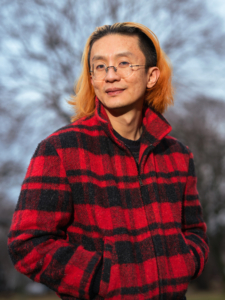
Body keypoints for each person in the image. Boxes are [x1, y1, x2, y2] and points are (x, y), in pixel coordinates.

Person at [8, 22, 209, 300]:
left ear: (151, 76)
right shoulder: (60, 150)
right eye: (100, 66)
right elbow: (28, 244)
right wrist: (102, 279)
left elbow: (195, 231)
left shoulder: (177, 154)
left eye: (124, 63)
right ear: (92, 79)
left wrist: (183, 264)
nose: (110, 75)